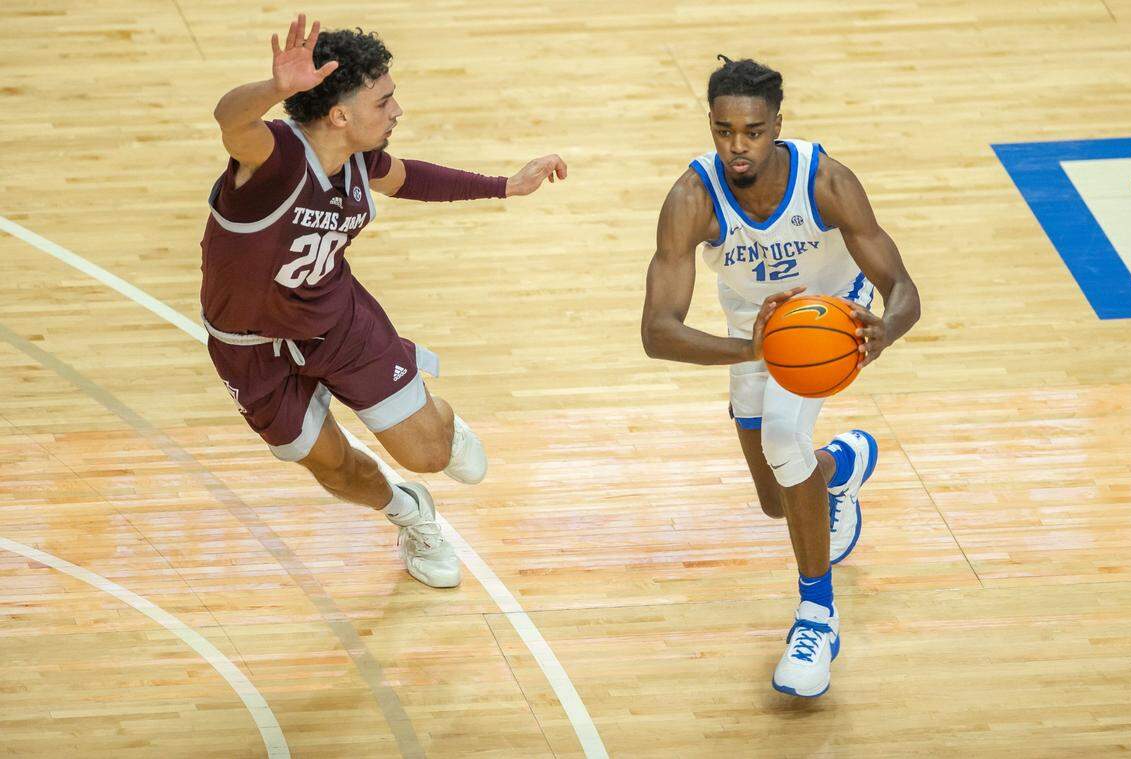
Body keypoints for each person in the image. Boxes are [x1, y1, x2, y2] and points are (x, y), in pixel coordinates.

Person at [200, 15, 567, 589]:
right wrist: (276, 90)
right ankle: (408, 511)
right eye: (385, 100)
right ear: (340, 114)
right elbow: (230, 119)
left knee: (430, 452)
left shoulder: (359, 161)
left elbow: (411, 178)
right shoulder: (273, 161)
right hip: (251, 346)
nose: (398, 111)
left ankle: (437, 423)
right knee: (332, 467)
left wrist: (506, 184)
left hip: (336, 322)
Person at [640, 56, 920, 697]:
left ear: (778, 126)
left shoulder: (827, 180)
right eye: (723, 131)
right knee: (778, 497)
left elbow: (903, 288)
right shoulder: (691, 199)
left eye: (754, 131)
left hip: (829, 323)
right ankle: (842, 466)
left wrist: (886, 330)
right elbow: (657, 333)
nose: (738, 146)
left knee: (782, 443)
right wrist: (753, 351)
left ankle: (817, 617)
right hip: (757, 333)